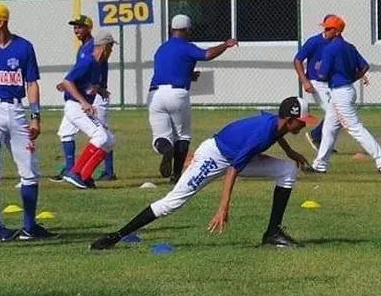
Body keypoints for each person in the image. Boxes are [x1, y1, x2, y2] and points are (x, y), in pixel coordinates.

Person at [90, 96, 316, 250]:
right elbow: (233, 171)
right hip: (213, 156)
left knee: (287, 169)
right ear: (289, 119)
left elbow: (276, 134)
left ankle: (273, 233)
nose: (304, 126)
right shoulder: (261, 133)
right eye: (301, 122)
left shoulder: (275, 123)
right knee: (171, 203)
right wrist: (222, 208)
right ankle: (116, 236)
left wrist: (291, 151)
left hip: (234, 155)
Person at [0, 1, 53, 241]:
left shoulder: (23, 47)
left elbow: (31, 83)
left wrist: (36, 117)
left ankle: (29, 227)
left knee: (29, 169)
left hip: (17, 113)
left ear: (1, 22)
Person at [147, 14, 237, 184]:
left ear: (171, 29)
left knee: (160, 137)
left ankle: (167, 150)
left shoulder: (161, 49)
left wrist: (188, 75)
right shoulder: (186, 46)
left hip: (155, 95)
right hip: (177, 94)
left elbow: (169, 69)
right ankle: (176, 176)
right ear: (187, 30)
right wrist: (225, 44)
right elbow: (207, 54)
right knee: (182, 136)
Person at [309, 15, 381, 174]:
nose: (325, 31)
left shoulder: (330, 49)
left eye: (328, 29)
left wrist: (318, 66)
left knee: (355, 128)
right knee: (328, 129)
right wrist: (351, 78)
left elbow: (321, 75)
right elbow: (364, 66)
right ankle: (319, 165)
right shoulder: (349, 47)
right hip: (346, 89)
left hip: (340, 92)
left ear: (336, 31)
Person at [58, 29, 117, 189]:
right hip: (75, 106)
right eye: (111, 47)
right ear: (104, 47)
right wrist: (84, 102)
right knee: (100, 136)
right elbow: (68, 82)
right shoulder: (88, 62)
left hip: (81, 106)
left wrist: (100, 90)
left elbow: (89, 85)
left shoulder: (99, 65)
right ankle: (75, 172)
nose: (111, 51)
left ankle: (85, 175)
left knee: (109, 140)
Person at [50, 15, 96, 182]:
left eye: (80, 26)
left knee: (101, 136)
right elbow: (78, 71)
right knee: (66, 133)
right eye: (75, 27)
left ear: (89, 28)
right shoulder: (83, 48)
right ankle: (70, 170)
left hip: (85, 98)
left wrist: (70, 83)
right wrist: (68, 82)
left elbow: (89, 72)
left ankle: (87, 171)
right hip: (77, 96)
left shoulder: (91, 48)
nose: (76, 30)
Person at [294, 15, 337, 151]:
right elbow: (297, 60)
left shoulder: (336, 42)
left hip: (330, 83)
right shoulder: (314, 42)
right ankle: (316, 136)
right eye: (329, 28)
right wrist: (305, 81)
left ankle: (321, 139)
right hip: (315, 83)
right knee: (335, 113)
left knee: (338, 113)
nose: (334, 31)